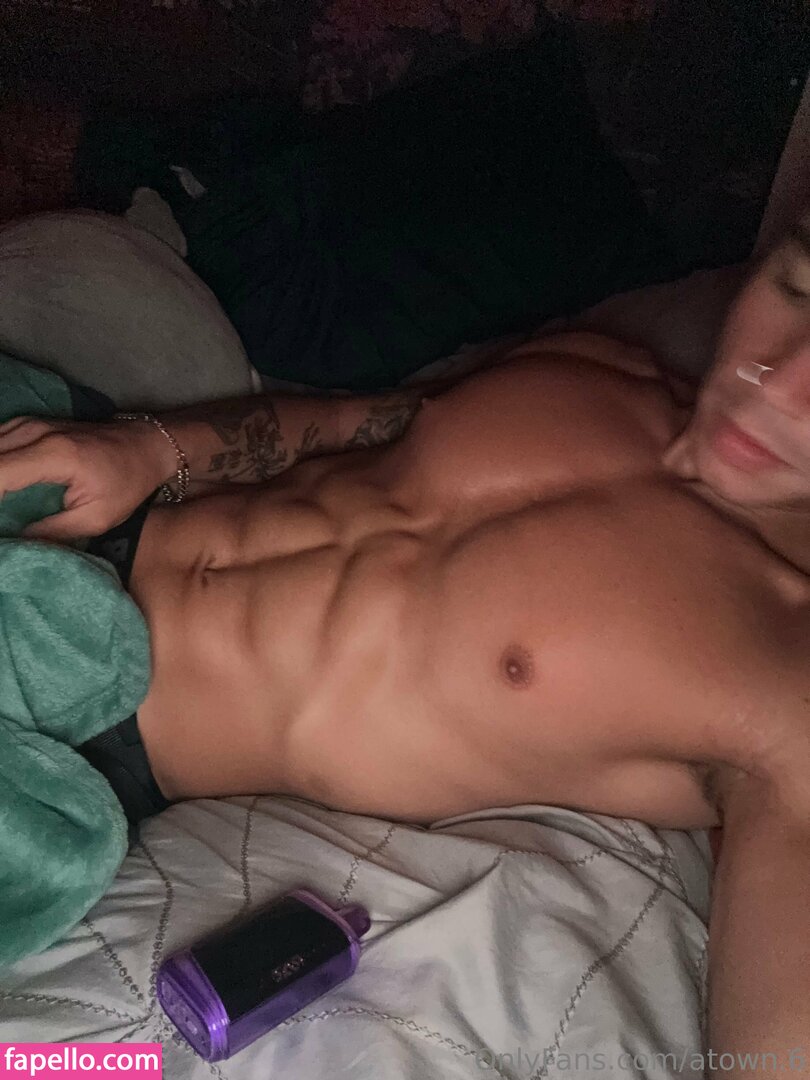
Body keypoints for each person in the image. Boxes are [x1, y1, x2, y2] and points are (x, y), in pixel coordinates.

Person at [1, 212, 809, 1068]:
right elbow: (353, 427)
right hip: (82, 508)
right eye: (797, 287)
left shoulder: (786, 702)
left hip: (78, 728)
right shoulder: (611, 366)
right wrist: (151, 450)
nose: (779, 381)